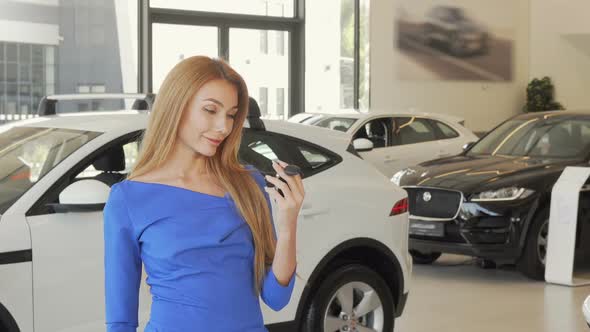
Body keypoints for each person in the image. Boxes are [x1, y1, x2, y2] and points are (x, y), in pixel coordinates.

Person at [103, 55, 304, 332]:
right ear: (177, 107)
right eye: (211, 110)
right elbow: (120, 322)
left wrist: (288, 224)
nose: (224, 126)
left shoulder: (248, 184)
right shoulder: (128, 199)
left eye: (231, 115)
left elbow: (276, 297)